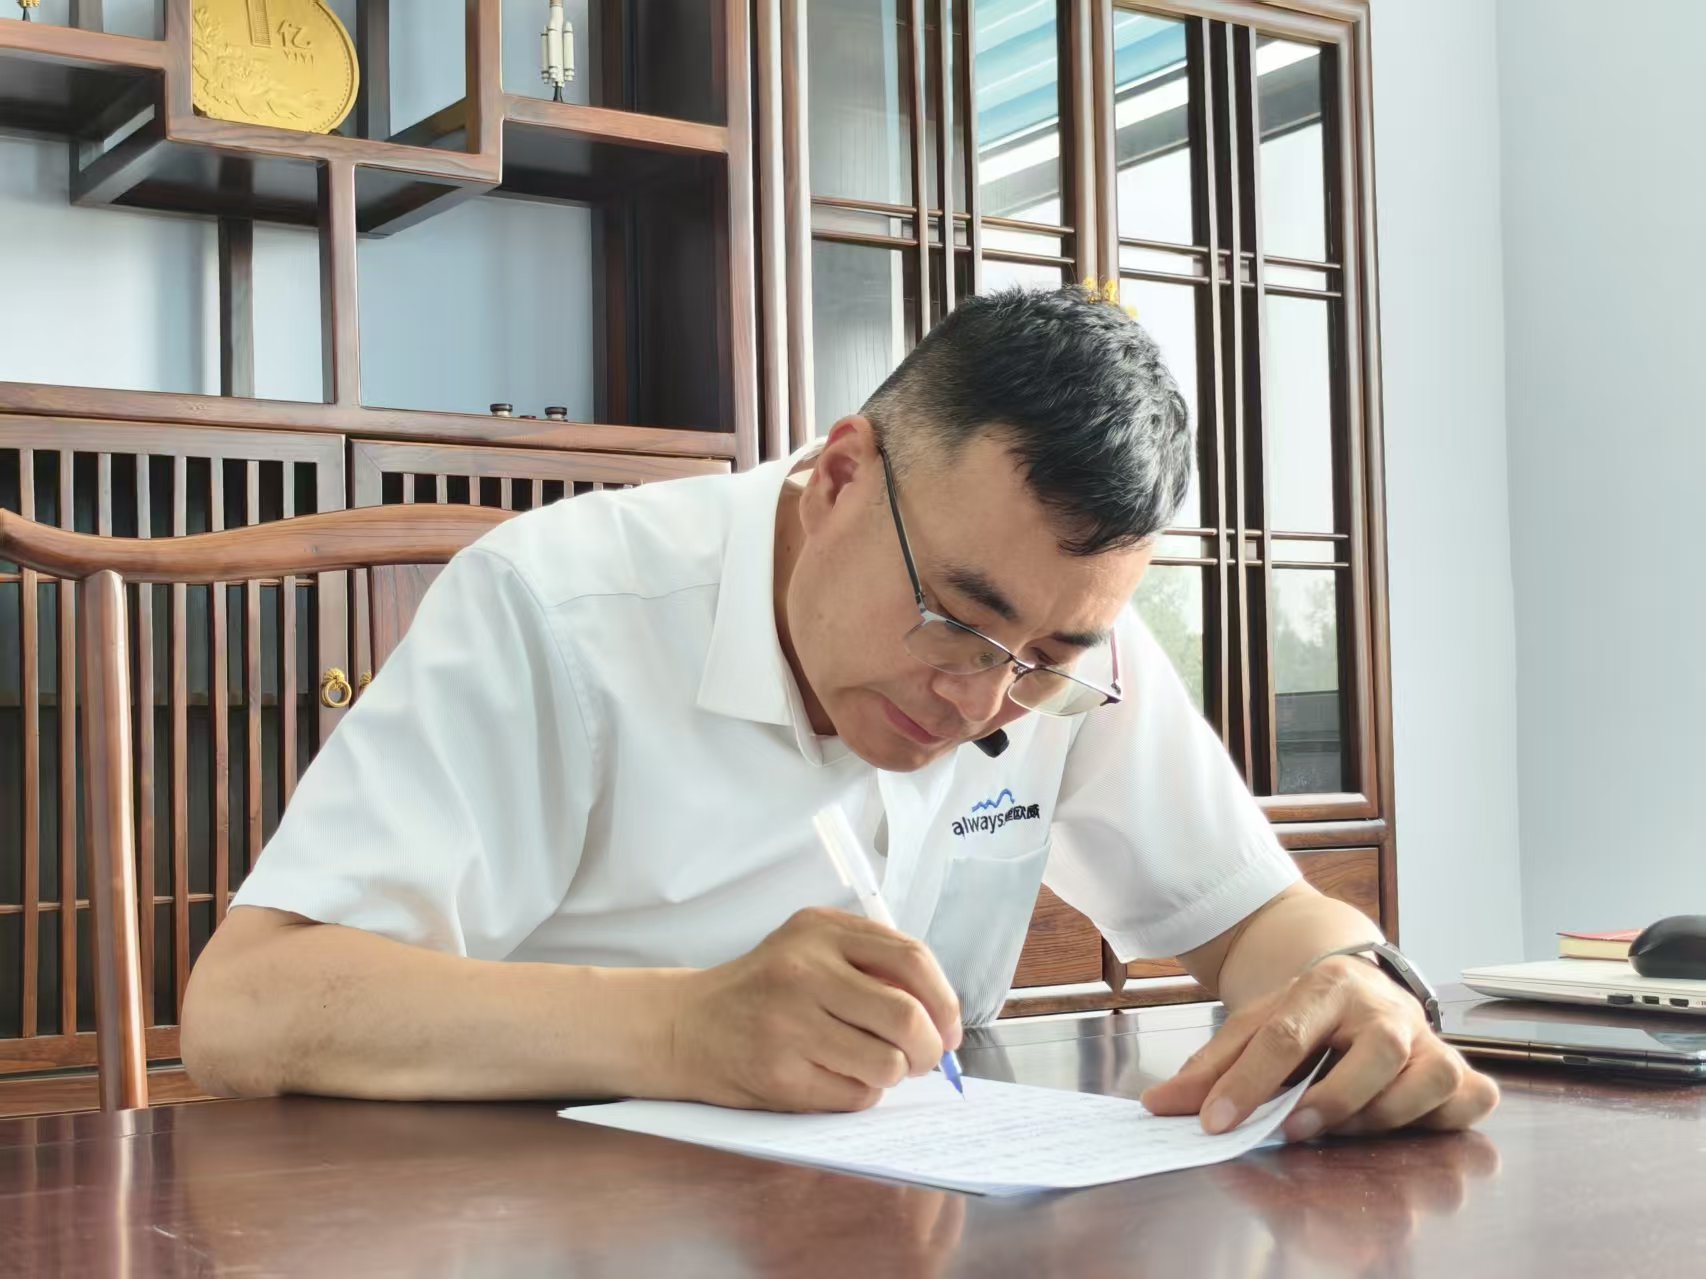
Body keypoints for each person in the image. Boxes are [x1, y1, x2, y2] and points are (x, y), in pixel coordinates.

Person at [181, 286, 1497, 1140]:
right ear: (842, 475)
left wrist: (1358, 989)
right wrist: (679, 1029)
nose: (980, 699)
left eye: (1043, 657)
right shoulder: (561, 606)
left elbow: (1256, 918)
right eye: (954, 618)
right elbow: (248, 1008)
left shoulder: (1059, 646)